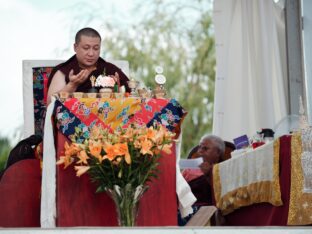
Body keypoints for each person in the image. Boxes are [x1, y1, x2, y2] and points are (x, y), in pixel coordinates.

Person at [47, 27, 130, 104]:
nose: (91, 54)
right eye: (86, 48)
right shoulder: (64, 71)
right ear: (75, 47)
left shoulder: (109, 69)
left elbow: (132, 97)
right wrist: (72, 85)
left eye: (96, 48)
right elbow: (50, 104)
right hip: (73, 118)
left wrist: (116, 90)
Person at [178, 134, 225, 226]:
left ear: (218, 153)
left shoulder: (223, 169)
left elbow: (222, 198)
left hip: (205, 211)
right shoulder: (189, 170)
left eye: (205, 149)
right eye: (200, 147)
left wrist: (209, 174)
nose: (199, 152)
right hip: (184, 208)